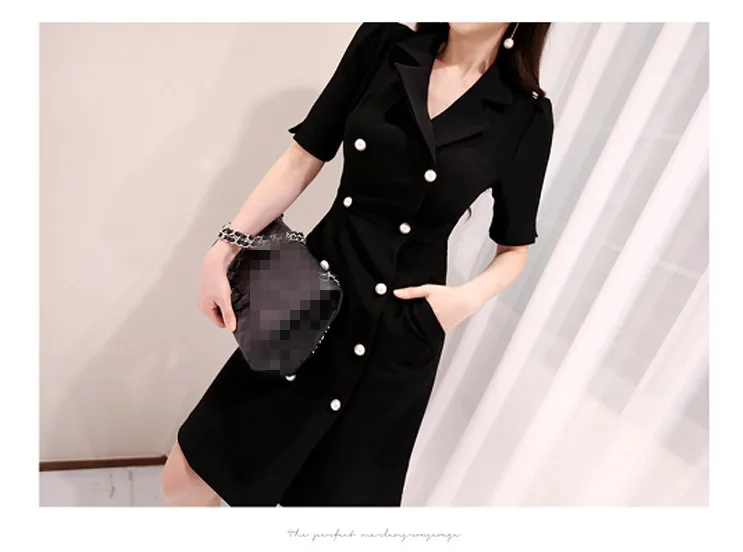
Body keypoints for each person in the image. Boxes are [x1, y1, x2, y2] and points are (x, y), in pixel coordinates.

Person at [160, 21, 555, 507]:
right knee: (192, 472)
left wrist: (460, 302)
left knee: (335, 508)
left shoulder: (525, 114)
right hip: (310, 299)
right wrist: (224, 248)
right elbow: (303, 157)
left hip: (400, 330)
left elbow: (515, 249)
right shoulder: (384, 45)